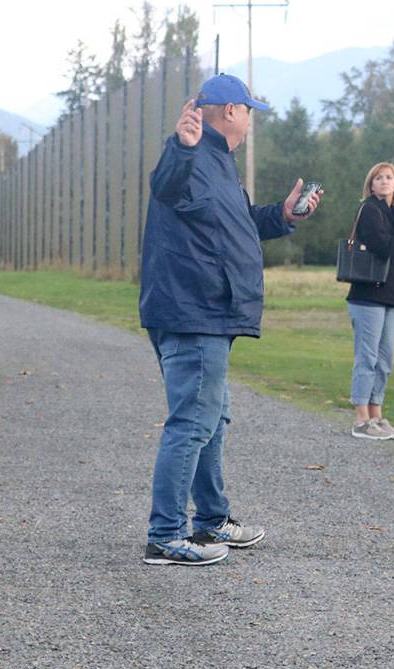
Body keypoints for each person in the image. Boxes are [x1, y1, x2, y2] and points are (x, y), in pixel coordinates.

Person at [139, 74, 321, 566]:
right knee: (192, 421)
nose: (251, 117)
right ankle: (166, 535)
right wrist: (181, 145)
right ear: (227, 111)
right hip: (192, 311)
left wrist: (282, 215)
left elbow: (233, 225)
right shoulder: (192, 153)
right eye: (248, 108)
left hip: (210, 311)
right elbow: (164, 186)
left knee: (211, 420)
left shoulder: (220, 162)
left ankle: (210, 521)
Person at [347, 162, 394, 440]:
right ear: (371, 185)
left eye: (390, 178)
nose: (385, 181)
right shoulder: (371, 211)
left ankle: (377, 414)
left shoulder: (393, 213)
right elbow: (385, 248)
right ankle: (361, 419)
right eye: (379, 178)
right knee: (368, 357)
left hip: (390, 297)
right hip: (367, 296)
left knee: (385, 360)